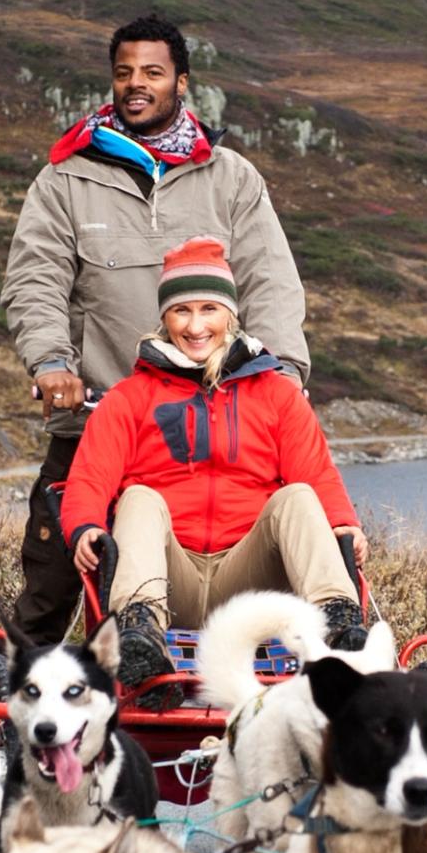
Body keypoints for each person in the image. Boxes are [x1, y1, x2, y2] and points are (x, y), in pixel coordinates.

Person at [1, 13, 308, 652]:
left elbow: (271, 285)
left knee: (262, 580)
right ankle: (5, 726)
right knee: (52, 590)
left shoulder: (231, 180)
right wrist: (52, 362)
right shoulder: (66, 179)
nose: (135, 85)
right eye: (124, 73)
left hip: (218, 422)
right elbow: (36, 280)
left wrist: (284, 375)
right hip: (98, 420)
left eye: (152, 73)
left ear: (182, 83)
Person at [59, 235, 364, 683]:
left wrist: (344, 522)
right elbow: (90, 477)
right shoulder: (129, 398)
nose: (196, 325)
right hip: (168, 579)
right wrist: (84, 525)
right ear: (165, 318)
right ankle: (140, 632)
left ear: (230, 315)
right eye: (182, 310)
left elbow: (316, 473)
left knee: (298, 496)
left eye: (209, 309)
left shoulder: (278, 394)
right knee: (139, 497)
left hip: (251, 579)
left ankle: (337, 623)